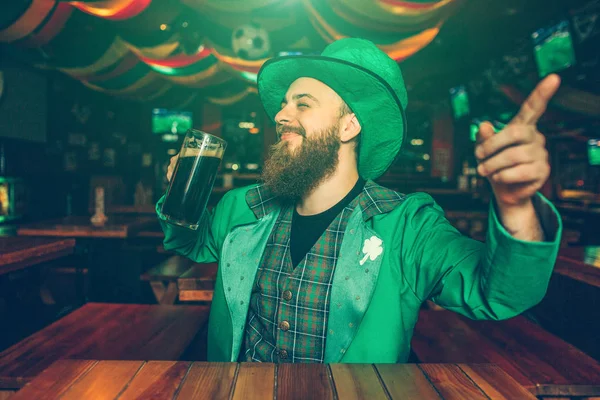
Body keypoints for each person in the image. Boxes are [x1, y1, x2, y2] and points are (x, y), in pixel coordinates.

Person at [158, 38, 562, 363]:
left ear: (349, 125)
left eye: (302, 103)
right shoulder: (241, 207)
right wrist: (180, 197)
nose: (280, 116)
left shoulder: (407, 225)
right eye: (283, 105)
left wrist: (515, 205)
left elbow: (501, 294)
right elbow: (187, 242)